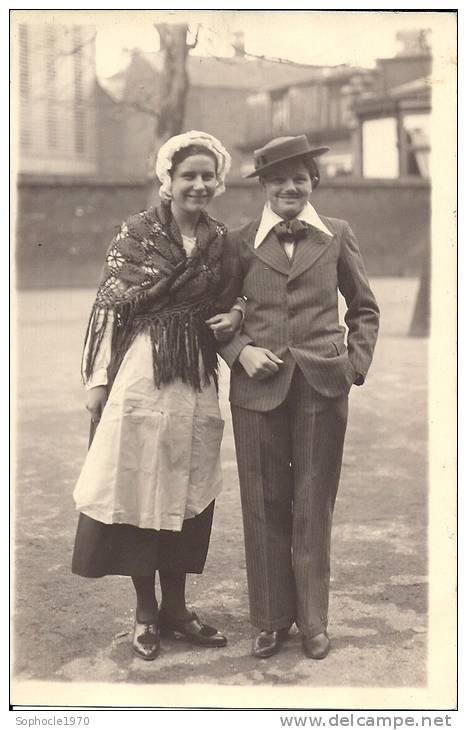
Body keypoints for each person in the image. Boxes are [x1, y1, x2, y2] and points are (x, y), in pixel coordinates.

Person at [72, 131, 243, 661]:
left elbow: (239, 293)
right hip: (143, 375)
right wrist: (97, 382)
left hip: (195, 376)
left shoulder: (221, 240)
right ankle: (146, 611)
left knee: (188, 486)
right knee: (139, 486)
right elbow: (109, 308)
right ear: (166, 180)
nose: (197, 184)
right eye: (187, 174)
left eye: (206, 175)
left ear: (218, 181)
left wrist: (236, 313)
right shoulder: (137, 234)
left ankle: (177, 609)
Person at [214, 135, 380, 660]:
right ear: (263, 186)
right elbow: (216, 315)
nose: (290, 187)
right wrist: (241, 352)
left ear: (313, 183)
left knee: (313, 501)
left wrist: (354, 364)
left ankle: (313, 622)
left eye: (300, 178)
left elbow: (364, 308)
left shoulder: (337, 236)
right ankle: (270, 619)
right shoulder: (239, 242)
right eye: (279, 179)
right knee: (263, 501)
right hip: (257, 389)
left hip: (321, 387)